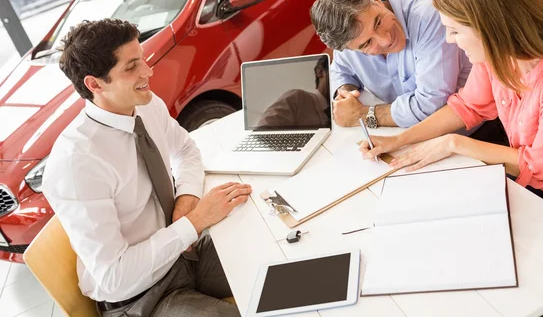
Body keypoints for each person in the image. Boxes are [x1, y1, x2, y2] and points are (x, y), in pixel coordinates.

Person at [360, 0, 543, 317]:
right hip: (537, 182)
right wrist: (399, 140)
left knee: (528, 276)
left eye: (455, 30)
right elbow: (466, 107)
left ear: (488, 24)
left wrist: (456, 143)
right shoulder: (497, 56)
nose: (450, 40)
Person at [43, 19, 252, 317]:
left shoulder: (146, 105)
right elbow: (114, 278)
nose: (148, 72)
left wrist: (187, 200)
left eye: (142, 59)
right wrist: (193, 223)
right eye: (131, 67)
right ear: (95, 84)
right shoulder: (77, 163)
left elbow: (185, 149)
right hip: (139, 296)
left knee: (271, 255)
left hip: (183, 256)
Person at [310, 0, 472, 129]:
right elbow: (340, 71)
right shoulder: (348, 41)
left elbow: (431, 106)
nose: (386, 40)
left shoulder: (429, 16)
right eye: (367, 44)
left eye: (378, 22)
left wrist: (363, 114)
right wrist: (345, 94)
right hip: (406, 137)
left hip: (467, 136)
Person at [256, 55, 331, 128]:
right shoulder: (297, 98)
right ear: (320, 71)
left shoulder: (337, 110)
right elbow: (263, 128)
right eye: (336, 72)